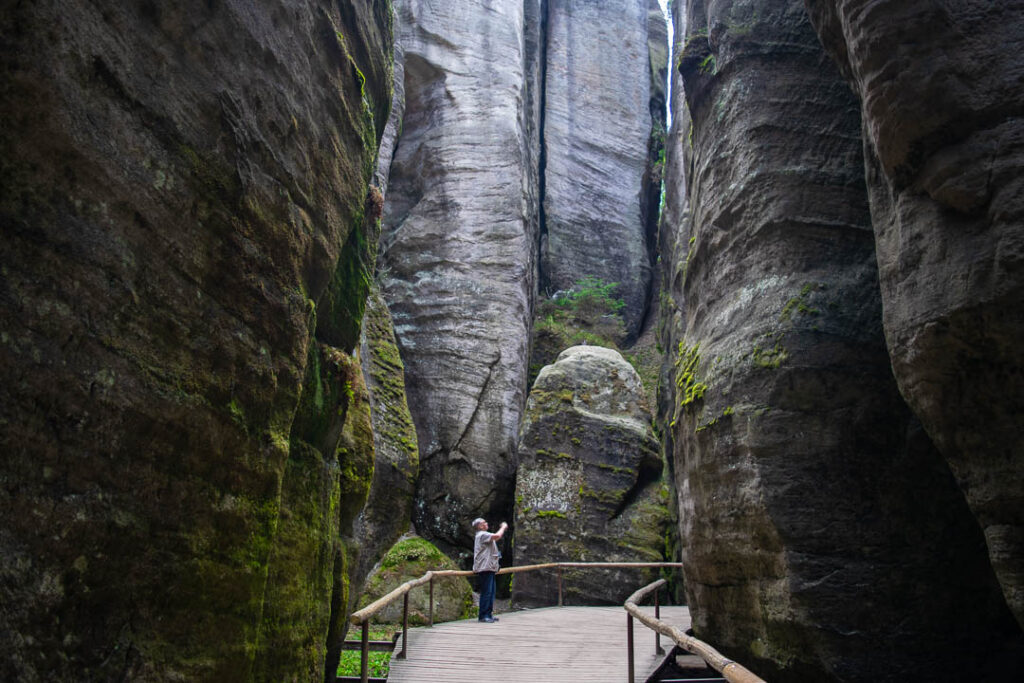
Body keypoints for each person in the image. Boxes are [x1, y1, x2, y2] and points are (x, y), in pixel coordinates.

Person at [472, 517, 507, 623]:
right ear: (480, 526)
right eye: (484, 523)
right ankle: (483, 616)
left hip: (489, 567)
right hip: (484, 568)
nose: (486, 523)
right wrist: (503, 527)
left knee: (491, 592)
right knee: (486, 592)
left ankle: (488, 614)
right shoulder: (481, 535)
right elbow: (497, 536)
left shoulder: (483, 535)